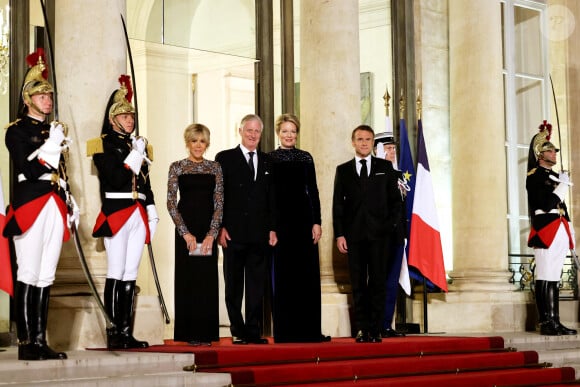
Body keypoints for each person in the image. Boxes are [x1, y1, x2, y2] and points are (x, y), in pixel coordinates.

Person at [3, 48, 71, 361]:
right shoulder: (16, 131)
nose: (48, 100)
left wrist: (70, 202)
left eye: (50, 95)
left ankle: (41, 340)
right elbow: (28, 170)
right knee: (28, 271)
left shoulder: (52, 129)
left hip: (54, 203)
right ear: (28, 98)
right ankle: (27, 341)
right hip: (30, 204)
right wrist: (52, 143)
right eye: (42, 96)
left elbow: (61, 173)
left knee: (46, 274)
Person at [88, 75, 159, 350]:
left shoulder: (138, 145)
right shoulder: (102, 145)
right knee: (116, 270)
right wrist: (134, 156)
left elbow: (146, 184)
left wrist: (152, 212)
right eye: (124, 116)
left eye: (131, 116)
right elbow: (116, 179)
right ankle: (113, 331)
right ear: (112, 119)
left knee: (131, 272)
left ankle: (127, 332)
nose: (130, 120)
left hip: (138, 212)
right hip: (117, 211)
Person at [333, 125, 402, 343]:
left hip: (380, 237)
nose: (364, 143)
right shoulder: (343, 170)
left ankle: (375, 328)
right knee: (358, 283)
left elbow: (396, 203)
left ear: (373, 143)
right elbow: (338, 206)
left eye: (368, 139)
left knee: (378, 283)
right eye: (360, 139)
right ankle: (362, 329)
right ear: (353, 142)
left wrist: (389, 228)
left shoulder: (385, 167)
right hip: (354, 237)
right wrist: (340, 235)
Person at [215, 114, 277, 345]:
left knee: (255, 286)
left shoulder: (268, 160)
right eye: (248, 130)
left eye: (257, 131)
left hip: (259, 234)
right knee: (233, 286)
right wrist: (220, 227)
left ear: (261, 134)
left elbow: (272, 198)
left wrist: (272, 228)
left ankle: (253, 331)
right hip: (232, 233)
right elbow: (218, 196)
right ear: (240, 131)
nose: (252, 135)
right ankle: (237, 330)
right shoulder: (224, 158)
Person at [268, 113, 329, 343]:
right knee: (284, 277)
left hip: (304, 222)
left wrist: (317, 222)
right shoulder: (270, 158)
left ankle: (310, 331)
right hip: (281, 224)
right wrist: (271, 227)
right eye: (285, 131)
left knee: (307, 277)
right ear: (278, 133)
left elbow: (312, 191)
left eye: (292, 131)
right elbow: (269, 195)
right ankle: (285, 332)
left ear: (297, 133)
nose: (289, 135)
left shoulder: (306, 157)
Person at [167, 123, 223, 346]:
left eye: (202, 141)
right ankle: (188, 332)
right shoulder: (177, 167)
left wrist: (211, 234)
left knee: (206, 280)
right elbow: (171, 203)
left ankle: (206, 332)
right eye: (194, 141)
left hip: (208, 229)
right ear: (187, 142)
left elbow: (220, 203)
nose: (198, 145)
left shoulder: (215, 168)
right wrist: (186, 234)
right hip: (185, 232)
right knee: (188, 280)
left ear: (207, 144)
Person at [526, 120, 577, 336]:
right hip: (545, 229)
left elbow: (562, 208)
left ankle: (556, 320)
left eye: (555, 151)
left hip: (559, 228)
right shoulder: (535, 176)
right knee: (545, 275)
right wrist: (563, 185)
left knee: (555, 276)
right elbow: (546, 205)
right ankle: (545, 322)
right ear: (540, 154)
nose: (554, 154)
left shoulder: (554, 177)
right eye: (550, 151)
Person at [374, 132, 407, 338]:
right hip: (380, 237)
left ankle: (386, 323)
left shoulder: (399, 175)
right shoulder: (374, 176)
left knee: (392, 281)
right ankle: (376, 323)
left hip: (397, 236)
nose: (392, 151)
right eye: (387, 148)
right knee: (378, 281)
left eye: (394, 148)